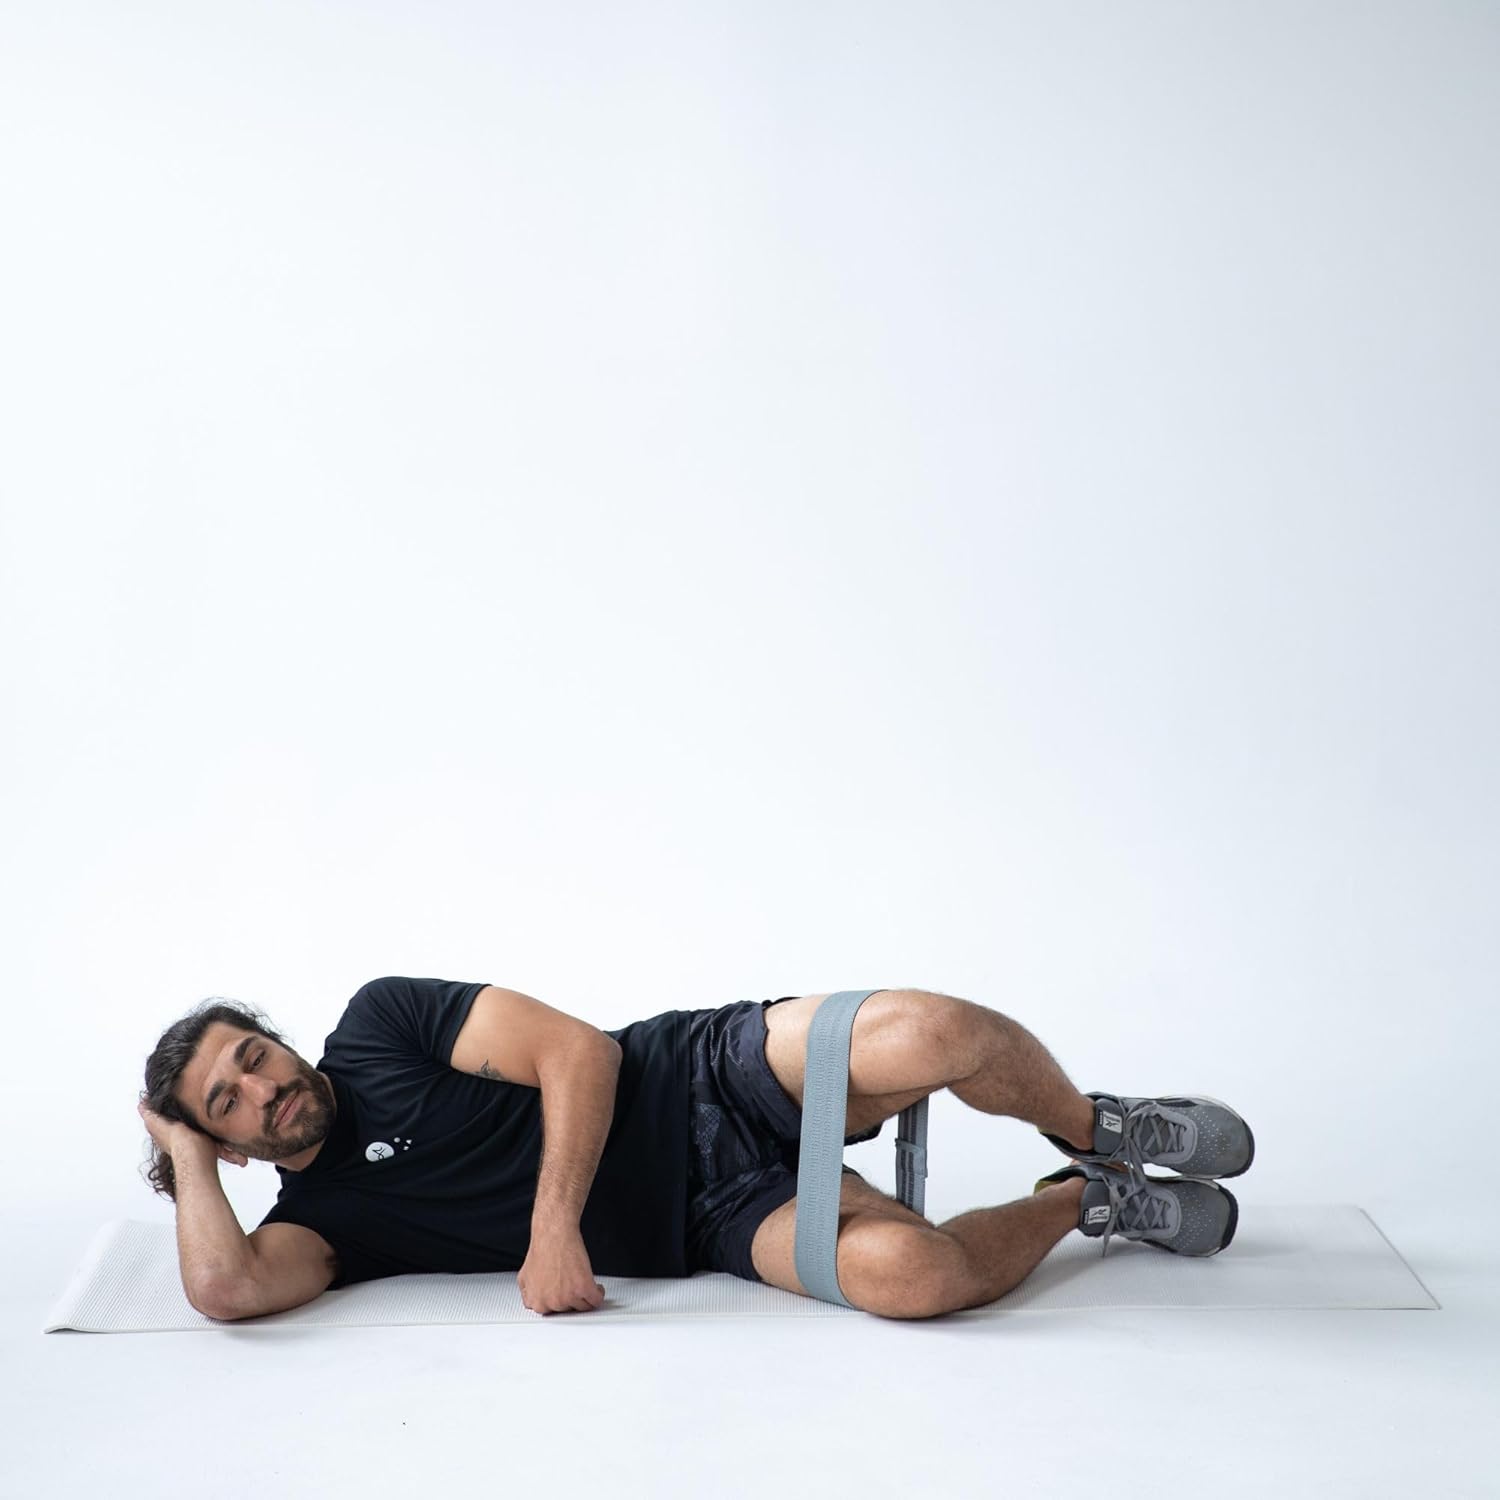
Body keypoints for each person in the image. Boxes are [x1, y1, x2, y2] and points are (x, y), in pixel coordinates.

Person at [138, 979, 1253, 1322]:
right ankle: (1086, 1200)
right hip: (707, 1221)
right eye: (226, 1104)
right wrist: (177, 1151)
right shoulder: (319, 1226)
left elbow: (579, 1052)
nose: (263, 1089)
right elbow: (227, 1289)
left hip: (698, 1074)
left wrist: (551, 1228)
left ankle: (1099, 1126)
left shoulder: (380, 1025)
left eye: (253, 1055)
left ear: (279, 1039)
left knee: (936, 1034)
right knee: (916, 1278)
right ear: (225, 1146)